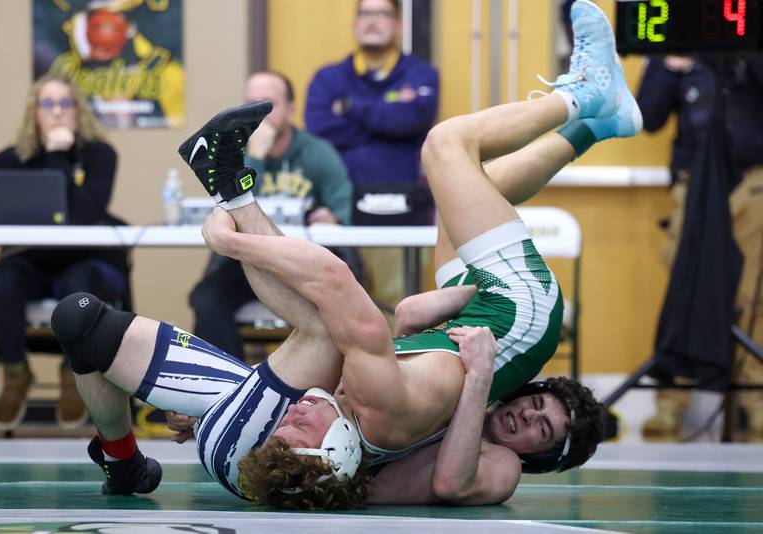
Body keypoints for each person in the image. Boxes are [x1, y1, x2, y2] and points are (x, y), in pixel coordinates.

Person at [55, 0, 631, 509]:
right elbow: (350, 297)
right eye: (540, 413)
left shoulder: (381, 415)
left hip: (434, 365)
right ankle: (592, 118)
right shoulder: (396, 413)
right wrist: (474, 367)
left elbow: (338, 300)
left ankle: (585, 97)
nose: (297, 411)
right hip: (514, 318)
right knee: (459, 174)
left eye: (539, 430)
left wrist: (231, 244)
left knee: (448, 146)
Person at [0, 74, 128, 433]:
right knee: (2, 278)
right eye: (48, 104)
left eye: (64, 103)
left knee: (80, 285)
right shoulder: (14, 157)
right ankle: (15, 372)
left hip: (83, 261)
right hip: (30, 263)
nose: (56, 112)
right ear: (34, 113)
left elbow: (82, 214)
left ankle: (73, 373)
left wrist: (58, 156)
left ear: (78, 110)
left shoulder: (99, 155)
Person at [637, 56, 763, 442]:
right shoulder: (674, 38)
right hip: (693, 184)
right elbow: (648, 117)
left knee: (754, 296)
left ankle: (756, 402)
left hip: (753, 181)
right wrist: (669, 67)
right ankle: (670, 402)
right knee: (684, 290)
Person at [188, 71, 354, 359]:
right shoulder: (232, 155)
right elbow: (236, 206)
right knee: (205, 298)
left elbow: (343, 211)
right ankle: (232, 378)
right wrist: (256, 158)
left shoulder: (317, 152)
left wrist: (331, 218)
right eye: (251, 104)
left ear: (291, 109)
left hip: (308, 260)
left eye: (268, 104)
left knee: (340, 299)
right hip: (250, 262)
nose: (258, 114)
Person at [304, 0, 439, 309]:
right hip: (338, 212)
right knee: (338, 308)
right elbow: (320, 128)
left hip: (401, 211)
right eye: (366, 13)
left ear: (398, 25)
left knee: (398, 307)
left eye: (382, 13)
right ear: (355, 25)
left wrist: (350, 108)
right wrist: (388, 120)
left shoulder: (420, 74)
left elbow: (413, 120)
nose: (373, 21)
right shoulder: (328, 78)